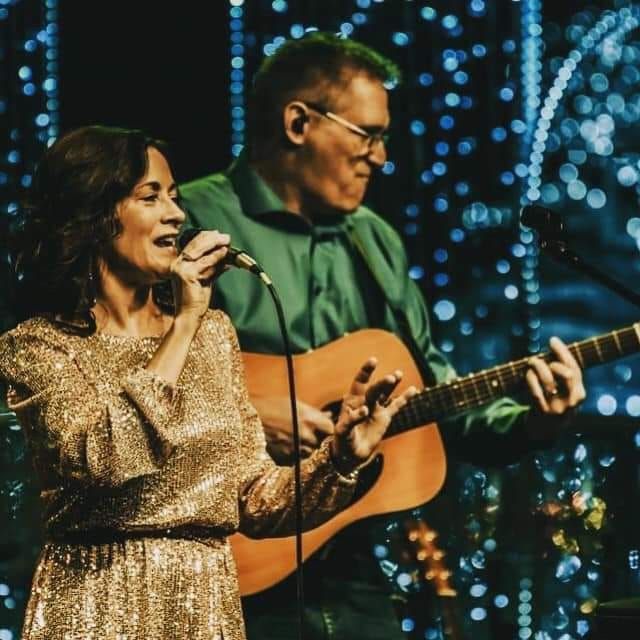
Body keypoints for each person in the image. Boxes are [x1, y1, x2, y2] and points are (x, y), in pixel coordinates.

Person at [180, 32, 586, 640]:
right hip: (221, 561)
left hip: (350, 567)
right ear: (298, 122)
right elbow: (121, 383)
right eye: (367, 134)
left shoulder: (376, 241)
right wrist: (247, 413)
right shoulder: (187, 220)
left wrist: (534, 420)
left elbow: (436, 395)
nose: (380, 157)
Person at [0, 125, 418, 640]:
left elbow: (257, 501)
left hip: (207, 605)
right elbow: (106, 458)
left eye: (175, 198)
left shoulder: (213, 335)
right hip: (98, 603)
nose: (176, 214)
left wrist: (340, 457)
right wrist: (182, 327)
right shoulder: (40, 346)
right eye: (150, 197)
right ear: (94, 216)